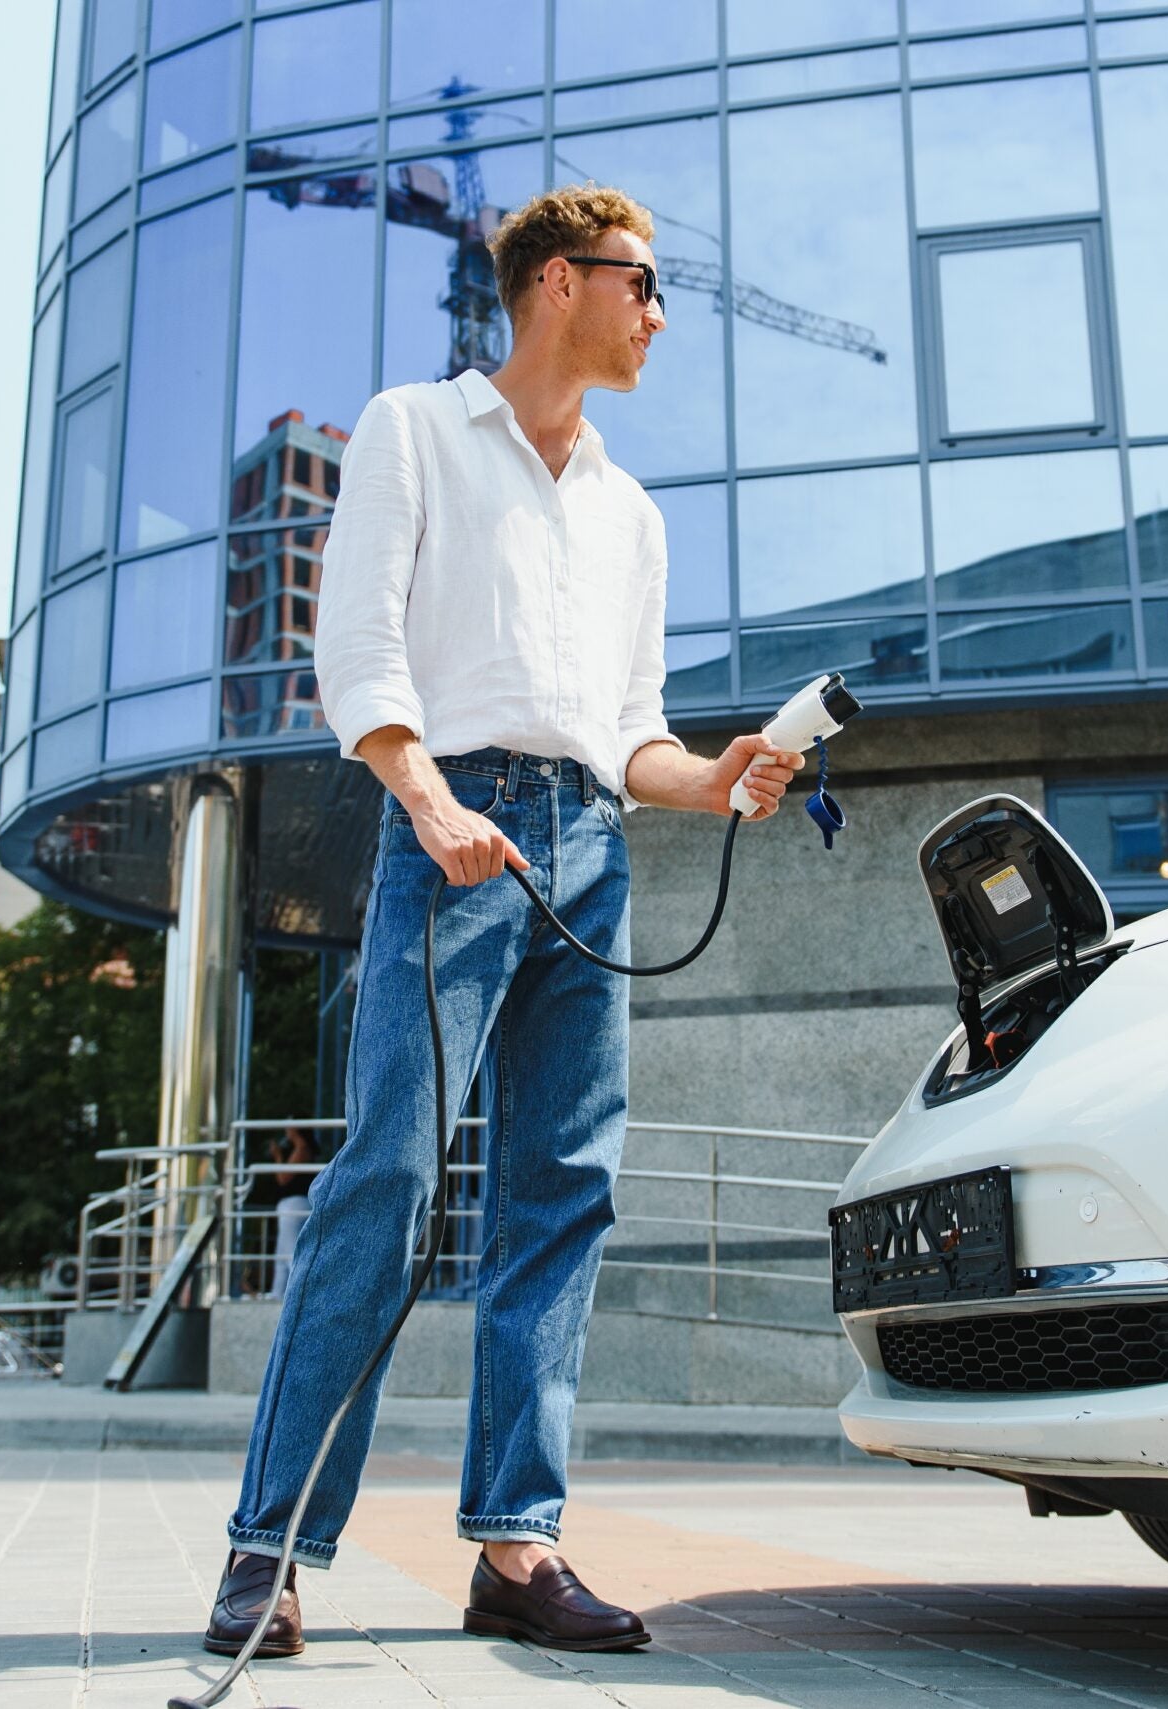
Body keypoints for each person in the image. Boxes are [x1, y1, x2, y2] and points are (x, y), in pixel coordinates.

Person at [203, 183, 804, 1661]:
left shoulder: (631, 511)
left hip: (588, 848)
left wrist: (713, 778)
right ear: (553, 284)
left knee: (563, 1191)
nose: (658, 314)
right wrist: (424, 799)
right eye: (641, 285)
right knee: (389, 1181)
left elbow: (631, 733)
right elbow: (360, 652)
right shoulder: (415, 429)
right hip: (451, 842)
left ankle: (517, 1550)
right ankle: (268, 1549)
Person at [261, 1126, 317, 1302]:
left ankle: (298, 1292)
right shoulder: (302, 1149)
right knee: (283, 1251)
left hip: (294, 1208)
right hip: (293, 1207)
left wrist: (278, 1156)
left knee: (290, 1251)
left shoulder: (302, 1148)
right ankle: (279, 1293)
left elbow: (283, 1177)